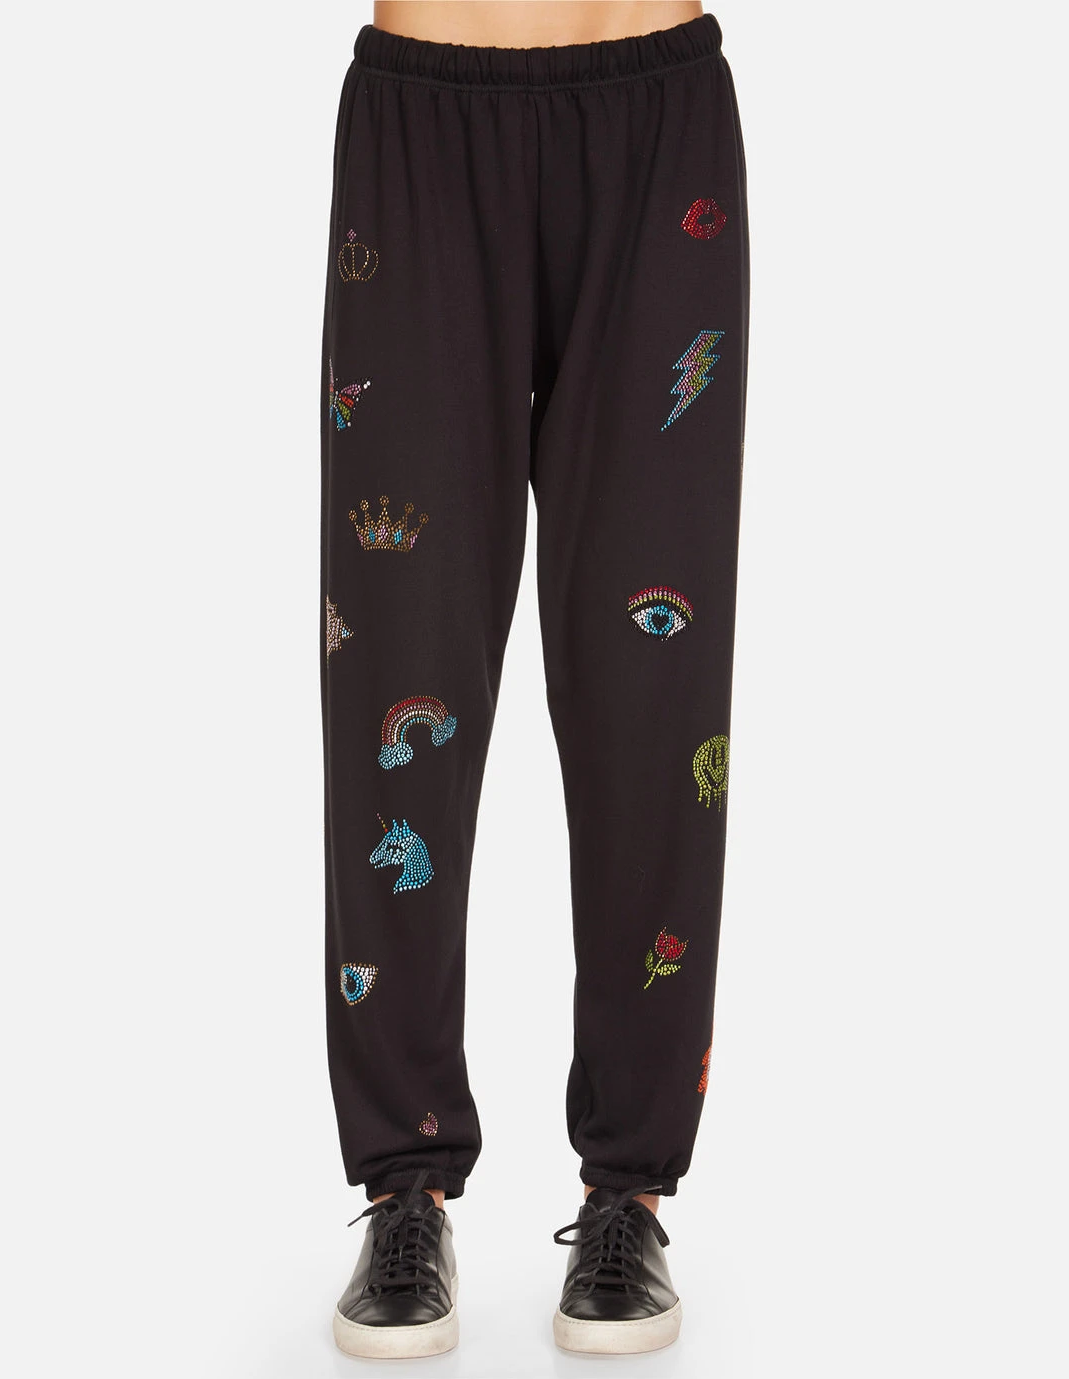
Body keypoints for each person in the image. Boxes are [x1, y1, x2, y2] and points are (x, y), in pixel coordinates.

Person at [319, 0, 748, 1358]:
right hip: (422, 131)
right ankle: (404, 1183)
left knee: (650, 698)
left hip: (659, 132)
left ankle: (629, 1192)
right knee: (398, 665)